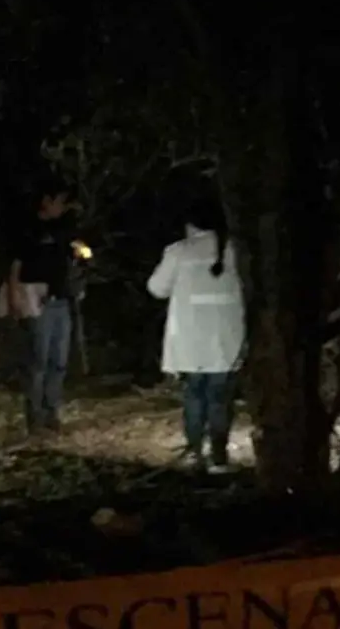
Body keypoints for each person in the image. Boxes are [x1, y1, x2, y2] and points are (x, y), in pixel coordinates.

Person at [147, 196, 245, 473]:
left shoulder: (179, 251)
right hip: (227, 340)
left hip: (190, 340)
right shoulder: (236, 249)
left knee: (194, 395)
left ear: (189, 224)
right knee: (220, 398)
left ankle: (194, 452)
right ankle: (219, 457)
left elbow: (156, 288)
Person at [5, 179, 85, 435]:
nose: (62, 206)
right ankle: (35, 417)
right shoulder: (29, 229)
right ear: (46, 201)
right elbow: (15, 267)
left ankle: (52, 412)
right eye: (59, 201)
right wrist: (15, 298)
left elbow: (76, 253)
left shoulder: (63, 230)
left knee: (58, 361)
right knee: (38, 361)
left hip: (61, 301)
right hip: (37, 302)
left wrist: (80, 257)